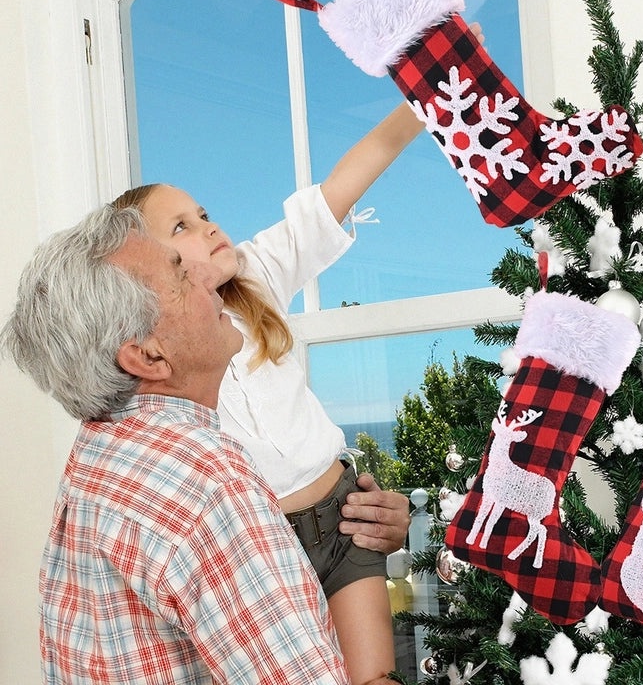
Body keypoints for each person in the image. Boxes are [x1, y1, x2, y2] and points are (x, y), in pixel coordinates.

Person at [111, 25, 482, 685]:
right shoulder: (157, 369)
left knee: (376, 679)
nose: (208, 227)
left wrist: (427, 93)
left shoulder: (257, 272)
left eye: (202, 213)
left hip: (344, 520)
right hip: (260, 548)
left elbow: (345, 183)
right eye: (181, 228)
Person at [1, 204, 395, 684]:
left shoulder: (97, 451)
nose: (208, 279)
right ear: (148, 355)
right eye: (181, 276)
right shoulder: (209, 482)